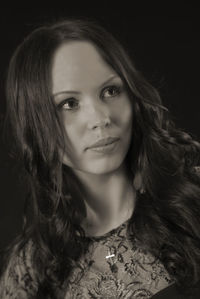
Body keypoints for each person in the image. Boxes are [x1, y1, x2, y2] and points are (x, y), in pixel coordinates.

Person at [0, 17, 200, 299]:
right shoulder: (32, 268)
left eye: (111, 91)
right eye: (69, 104)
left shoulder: (193, 194)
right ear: (35, 123)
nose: (101, 118)